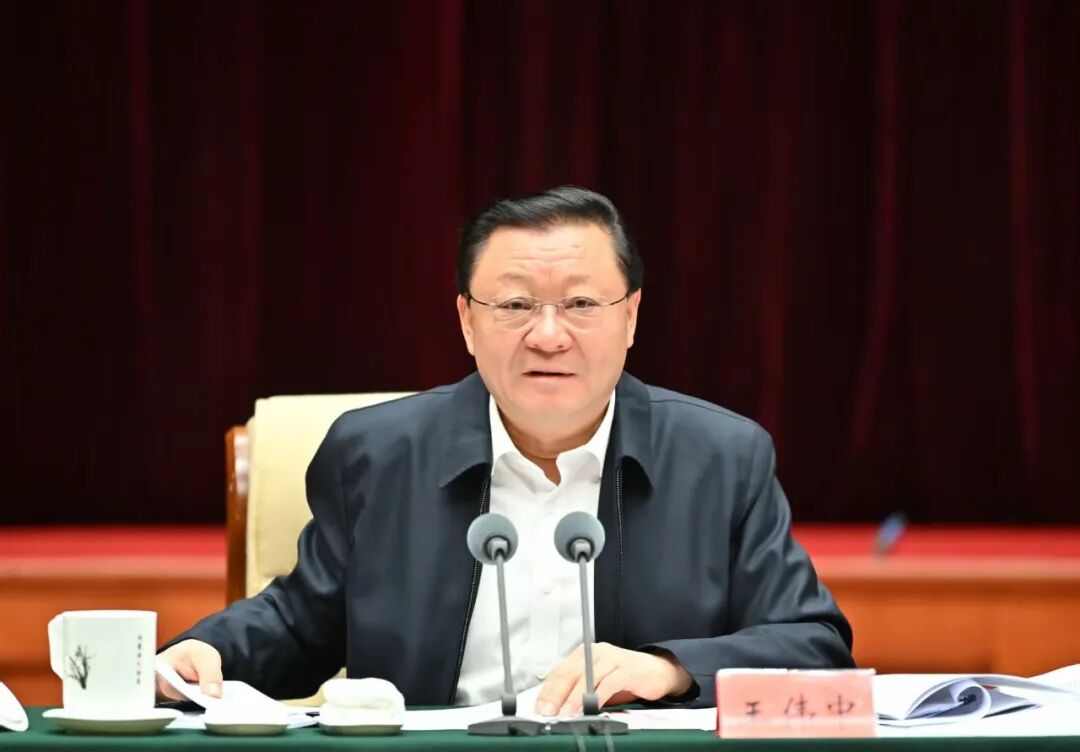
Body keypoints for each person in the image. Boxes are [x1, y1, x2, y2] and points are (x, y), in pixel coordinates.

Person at [158, 186, 853, 714]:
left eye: (581, 305)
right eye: (515, 306)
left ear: (632, 317)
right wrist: (205, 652)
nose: (548, 335)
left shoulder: (721, 458)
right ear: (466, 320)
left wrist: (670, 669)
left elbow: (814, 648)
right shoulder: (377, 454)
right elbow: (300, 623)